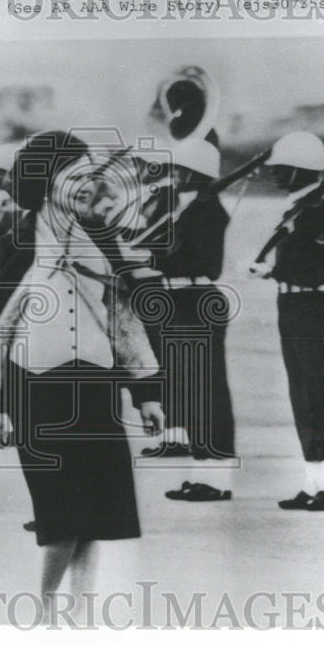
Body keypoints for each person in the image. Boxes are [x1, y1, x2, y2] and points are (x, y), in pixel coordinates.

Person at [0, 131, 164, 616]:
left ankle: (81, 607)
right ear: (46, 180)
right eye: (73, 174)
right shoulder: (14, 242)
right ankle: (43, 604)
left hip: (97, 388)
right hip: (36, 390)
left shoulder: (103, 238)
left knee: (98, 509)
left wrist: (147, 394)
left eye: (89, 174)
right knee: (60, 513)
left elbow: (125, 318)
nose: (86, 184)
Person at [250, 131, 324, 511]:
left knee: (322, 394)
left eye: (282, 169)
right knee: (302, 395)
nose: (275, 175)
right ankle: (314, 483)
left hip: (315, 307)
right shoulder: (298, 213)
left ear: (300, 172)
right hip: (292, 309)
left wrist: (272, 273)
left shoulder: (322, 217)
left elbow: (320, 271)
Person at [138, 133, 238, 502]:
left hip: (196, 299)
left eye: (182, 170)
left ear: (198, 174)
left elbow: (207, 264)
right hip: (180, 299)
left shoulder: (208, 211)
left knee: (207, 392)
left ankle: (217, 477)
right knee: (192, 391)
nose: (175, 175)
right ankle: (202, 472)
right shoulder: (190, 208)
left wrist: (151, 259)